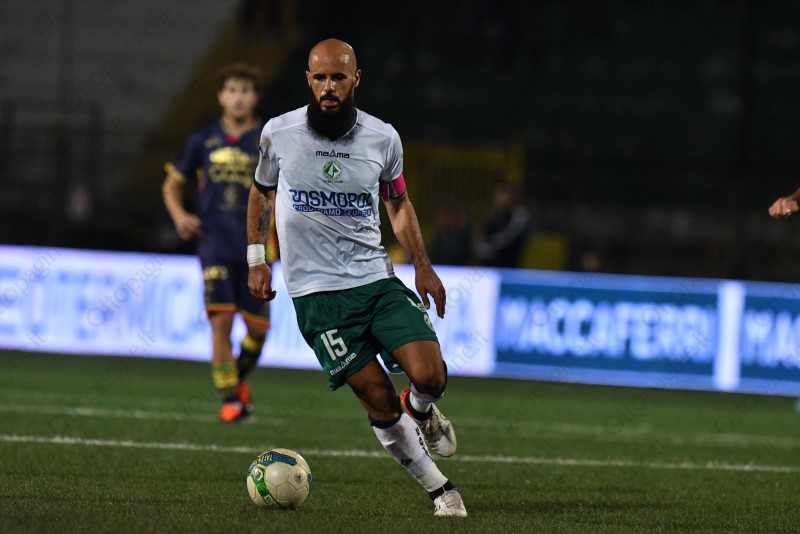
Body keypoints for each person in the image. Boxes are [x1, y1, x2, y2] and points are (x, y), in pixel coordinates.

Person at [246, 39, 467, 517]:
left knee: (431, 376)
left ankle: (422, 408)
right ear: (309, 80)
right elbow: (262, 193)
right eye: (320, 78)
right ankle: (441, 491)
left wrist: (422, 264)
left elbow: (398, 204)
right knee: (378, 399)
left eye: (338, 78)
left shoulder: (383, 138)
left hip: (375, 281)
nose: (329, 87)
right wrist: (256, 258)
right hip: (317, 297)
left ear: (356, 79)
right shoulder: (277, 133)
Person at [162, 64, 277, 423]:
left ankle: (235, 379)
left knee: (257, 330)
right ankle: (230, 400)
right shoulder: (202, 140)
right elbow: (171, 185)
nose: (238, 97)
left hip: (257, 246)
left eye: (245, 91)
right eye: (231, 90)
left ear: (255, 97)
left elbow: (282, 191)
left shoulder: (269, 140)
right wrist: (180, 216)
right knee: (221, 321)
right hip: (213, 242)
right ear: (220, 96)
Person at [475, 180, 530, 268]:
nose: (501, 197)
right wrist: (480, 248)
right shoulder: (491, 216)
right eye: (499, 194)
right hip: (490, 265)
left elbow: (508, 237)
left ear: (512, 196)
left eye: (505, 194)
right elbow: (482, 236)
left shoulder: (519, 215)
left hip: (510, 264)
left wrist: (489, 247)